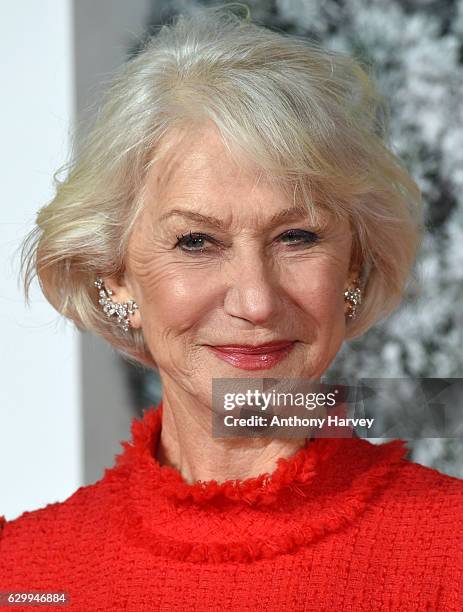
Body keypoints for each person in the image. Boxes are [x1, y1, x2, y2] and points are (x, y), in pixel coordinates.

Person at [1, 6, 461, 610]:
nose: (256, 300)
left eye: (297, 237)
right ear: (115, 277)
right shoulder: (25, 571)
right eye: (197, 242)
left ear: (353, 264)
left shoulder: (449, 551)